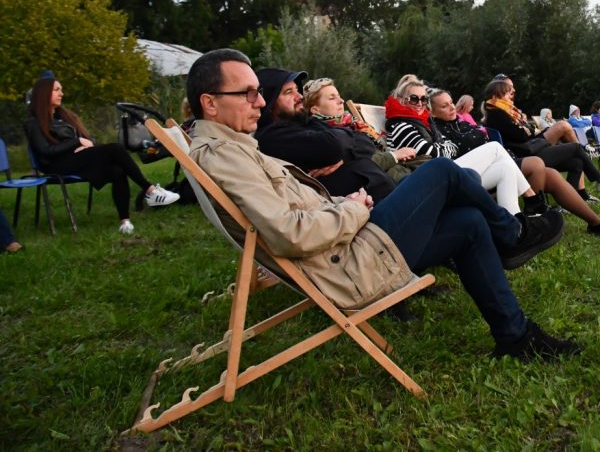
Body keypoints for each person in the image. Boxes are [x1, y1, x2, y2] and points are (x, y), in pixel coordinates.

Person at [186, 48, 579, 360]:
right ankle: (512, 232)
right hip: (348, 267)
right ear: (210, 103)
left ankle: (515, 335)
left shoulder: (236, 147)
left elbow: (299, 210)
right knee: (442, 171)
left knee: (469, 222)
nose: (259, 102)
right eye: (247, 93)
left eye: (259, 91)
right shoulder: (224, 157)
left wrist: (347, 202)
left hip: (350, 245)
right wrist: (353, 209)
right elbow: (291, 234)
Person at [431, 89, 600, 235]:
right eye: (444, 106)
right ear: (433, 111)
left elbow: (524, 133)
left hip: (508, 158)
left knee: (552, 174)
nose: (452, 107)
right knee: (538, 163)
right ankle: (533, 216)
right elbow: (519, 136)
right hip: (489, 170)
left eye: (451, 103)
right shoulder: (442, 130)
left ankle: (596, 223)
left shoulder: (463, 123)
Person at [384, 74, 556, 220]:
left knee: (505, 168)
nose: (420, 103)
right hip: (431, 183)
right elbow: (437, 153)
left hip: (444, 173)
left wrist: (442, 147)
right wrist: (442, 146)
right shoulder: (401, 125)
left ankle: (516, 224)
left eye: (423, 99)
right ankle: (532, 200)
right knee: (495, 148)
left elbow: (450, 148)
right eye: (414, 99)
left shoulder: (421, 122)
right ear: (401, 100)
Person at [25, 77, 179, 235]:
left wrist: (81, 145)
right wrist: (77, 142)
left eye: (61, 90)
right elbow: (46, 152)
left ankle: (125, 222)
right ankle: (150, 190)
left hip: (77, 160)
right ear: (43, 94)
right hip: (56, 166)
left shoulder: (64, 118)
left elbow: (87, 141)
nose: (61, 94)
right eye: (56, 90)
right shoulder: (33, 123)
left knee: (117, 170)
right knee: (115, 148)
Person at [252, 69, 411, 204]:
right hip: (370, 216)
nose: (299, 96)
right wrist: (342, 148)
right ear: (270, 102)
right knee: (435, 170)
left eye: (296, 90)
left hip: (385, 197)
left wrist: (344, 153)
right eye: (288, 92)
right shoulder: (273, 137)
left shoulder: (307, 124)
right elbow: (332, 146)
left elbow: (366, 144)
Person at [482, 75, 600, 202]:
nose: (511, 96)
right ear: (496, 95)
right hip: (526, 155)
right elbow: (520, 135)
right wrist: (525, 129)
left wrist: (526, 129)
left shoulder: (503, 111)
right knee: (575, 147)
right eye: (508, 93)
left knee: (576, 163)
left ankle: (572, 197)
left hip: (529, 147)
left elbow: (526, 133)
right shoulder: (497, 114)